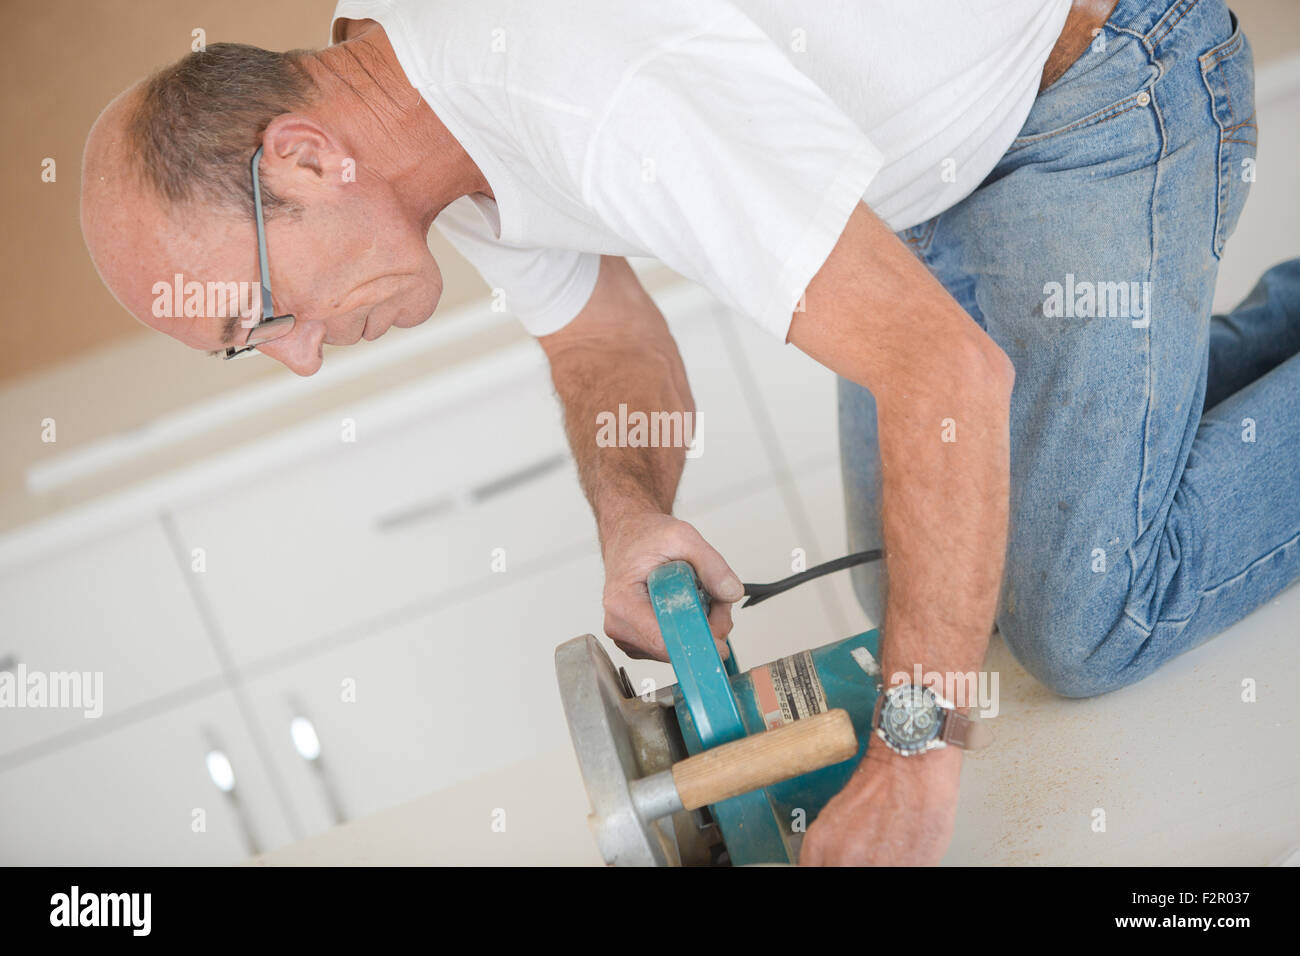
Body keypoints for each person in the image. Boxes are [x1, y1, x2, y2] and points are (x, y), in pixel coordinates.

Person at [79, 0, 1298, 865]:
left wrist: (919, 763)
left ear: (299, 158)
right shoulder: (395, 93)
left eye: (264, 314)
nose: (296, 353)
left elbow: (944, 376)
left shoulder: (579, 83)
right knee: (921, 594)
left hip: (1091, 86)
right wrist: (628, 514)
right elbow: (601, 339)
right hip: (920, 182)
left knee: (1081, 622)